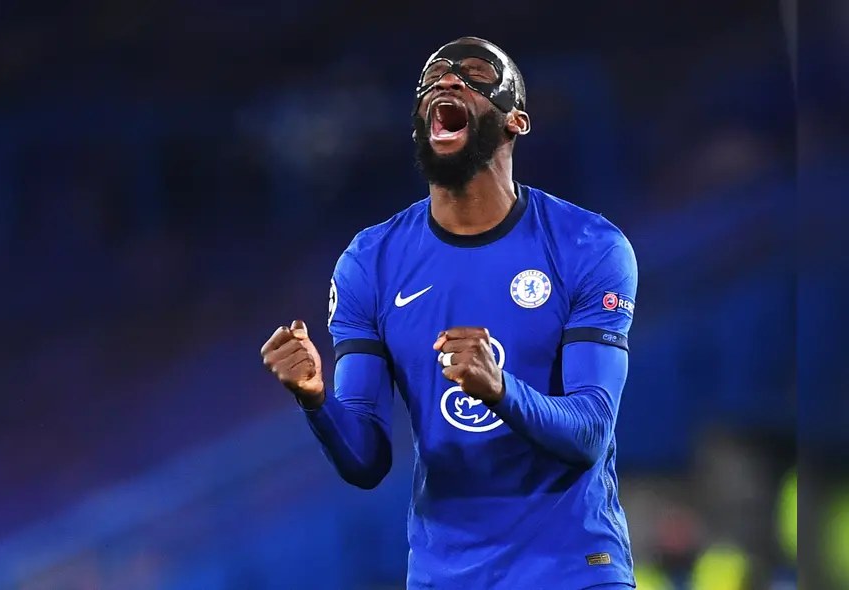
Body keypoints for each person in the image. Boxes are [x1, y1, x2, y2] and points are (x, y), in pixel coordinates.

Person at [260, 36, 638, 590]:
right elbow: (365, 461)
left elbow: (590, 433)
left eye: (475, 74)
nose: (448, 79)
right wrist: (316, 400)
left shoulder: (588, 246)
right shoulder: (373, 261)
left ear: (516, 121)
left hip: (572, 571)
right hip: (446, 577)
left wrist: (499, 389)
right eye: (433, 77)